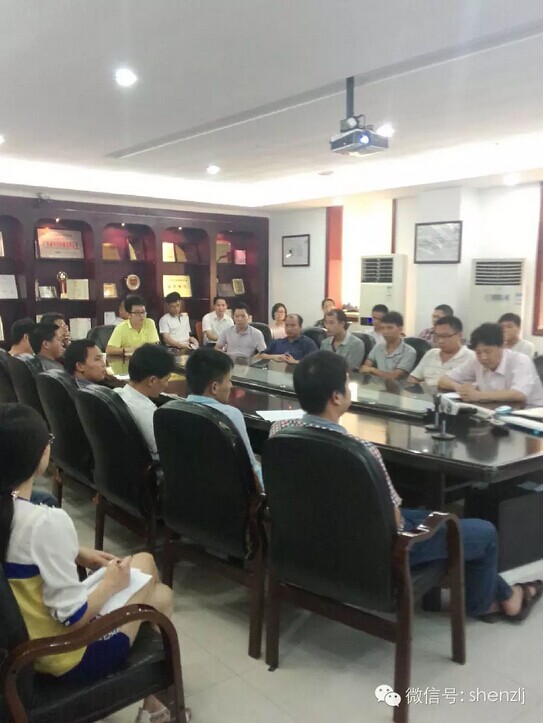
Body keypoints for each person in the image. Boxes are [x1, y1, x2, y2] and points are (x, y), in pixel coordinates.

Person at [269, 351, 542, 622]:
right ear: (337, 397)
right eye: (347, 383)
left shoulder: (279, 431)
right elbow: (395, 521)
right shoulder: (360, 450)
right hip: (376, 551)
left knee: (436, 520)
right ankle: (493, 603)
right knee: (483, 532)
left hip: (313, 541)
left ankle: (506, 595)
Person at [0, 403, 181, 723]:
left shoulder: (12, 514)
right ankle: (154, 709)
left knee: (161, 595)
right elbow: (73, 618)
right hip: (66, 654)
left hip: (28, 640)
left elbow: (25, 549)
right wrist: (112, 583)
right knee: (147, 566)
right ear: (40, 455)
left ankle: (154, 707)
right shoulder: (46, 523)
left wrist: (75, 551)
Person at [185, 348, 263, 487]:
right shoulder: (230, 415)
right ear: (214, 387)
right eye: (229, 380)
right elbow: (249, 466)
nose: (231, 385)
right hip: (228, 494)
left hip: (187, 488)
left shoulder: (175, 408)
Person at [438, 323, 543, 407]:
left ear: (502, 346)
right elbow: (443, 380)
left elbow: (519, 394)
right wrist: (460, 388)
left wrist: (478, 395)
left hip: (530, 414)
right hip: (496, 411)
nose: (483, 357)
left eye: (488, 351)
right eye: (478, 352)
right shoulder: (475, 361)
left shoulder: (520, 360)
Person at [113, 344, 176, 461]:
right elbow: (165, 450)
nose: (166, 385)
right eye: (166, 380)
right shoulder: (147, 412)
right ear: (152, 381)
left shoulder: (116, 393)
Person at [407, 316, 474, 385]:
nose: (440, 341)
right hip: (427, 390)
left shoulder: (471, 357)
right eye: (437, 336)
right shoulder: (431, 353)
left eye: (445, 336)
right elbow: (413, 377)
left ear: (459, 335)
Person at [362, 311, 416, 380]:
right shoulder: (378, 347)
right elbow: (365, 368)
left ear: (400, 328)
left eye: (390, 328)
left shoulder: (409, 352)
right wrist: (370, 370)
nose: (385, 332)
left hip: (398, 386)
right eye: (382, 328)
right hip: (377, 385)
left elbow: (395, 376)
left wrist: (372, 370)